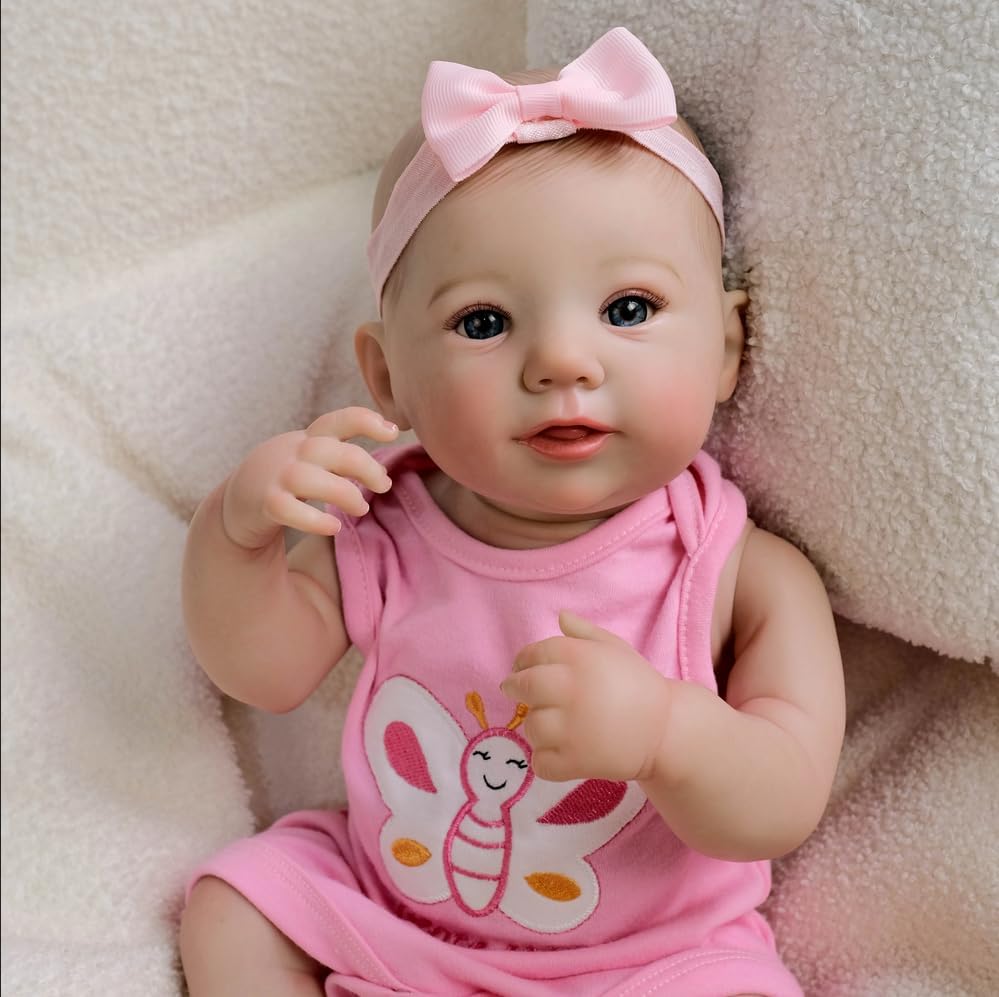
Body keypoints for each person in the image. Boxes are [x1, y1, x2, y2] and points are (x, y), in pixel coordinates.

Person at [178, 27, 844, 997]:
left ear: (727, 348)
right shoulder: (385, 524)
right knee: (235, 903)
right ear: (388, 378)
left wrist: (664, 731)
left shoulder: (740, 567)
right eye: (484, 322)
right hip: (400, 923)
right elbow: (262, 670)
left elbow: (782, 798)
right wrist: (238, 531)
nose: (562, 361)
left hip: (653, 963)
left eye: (627, 309)